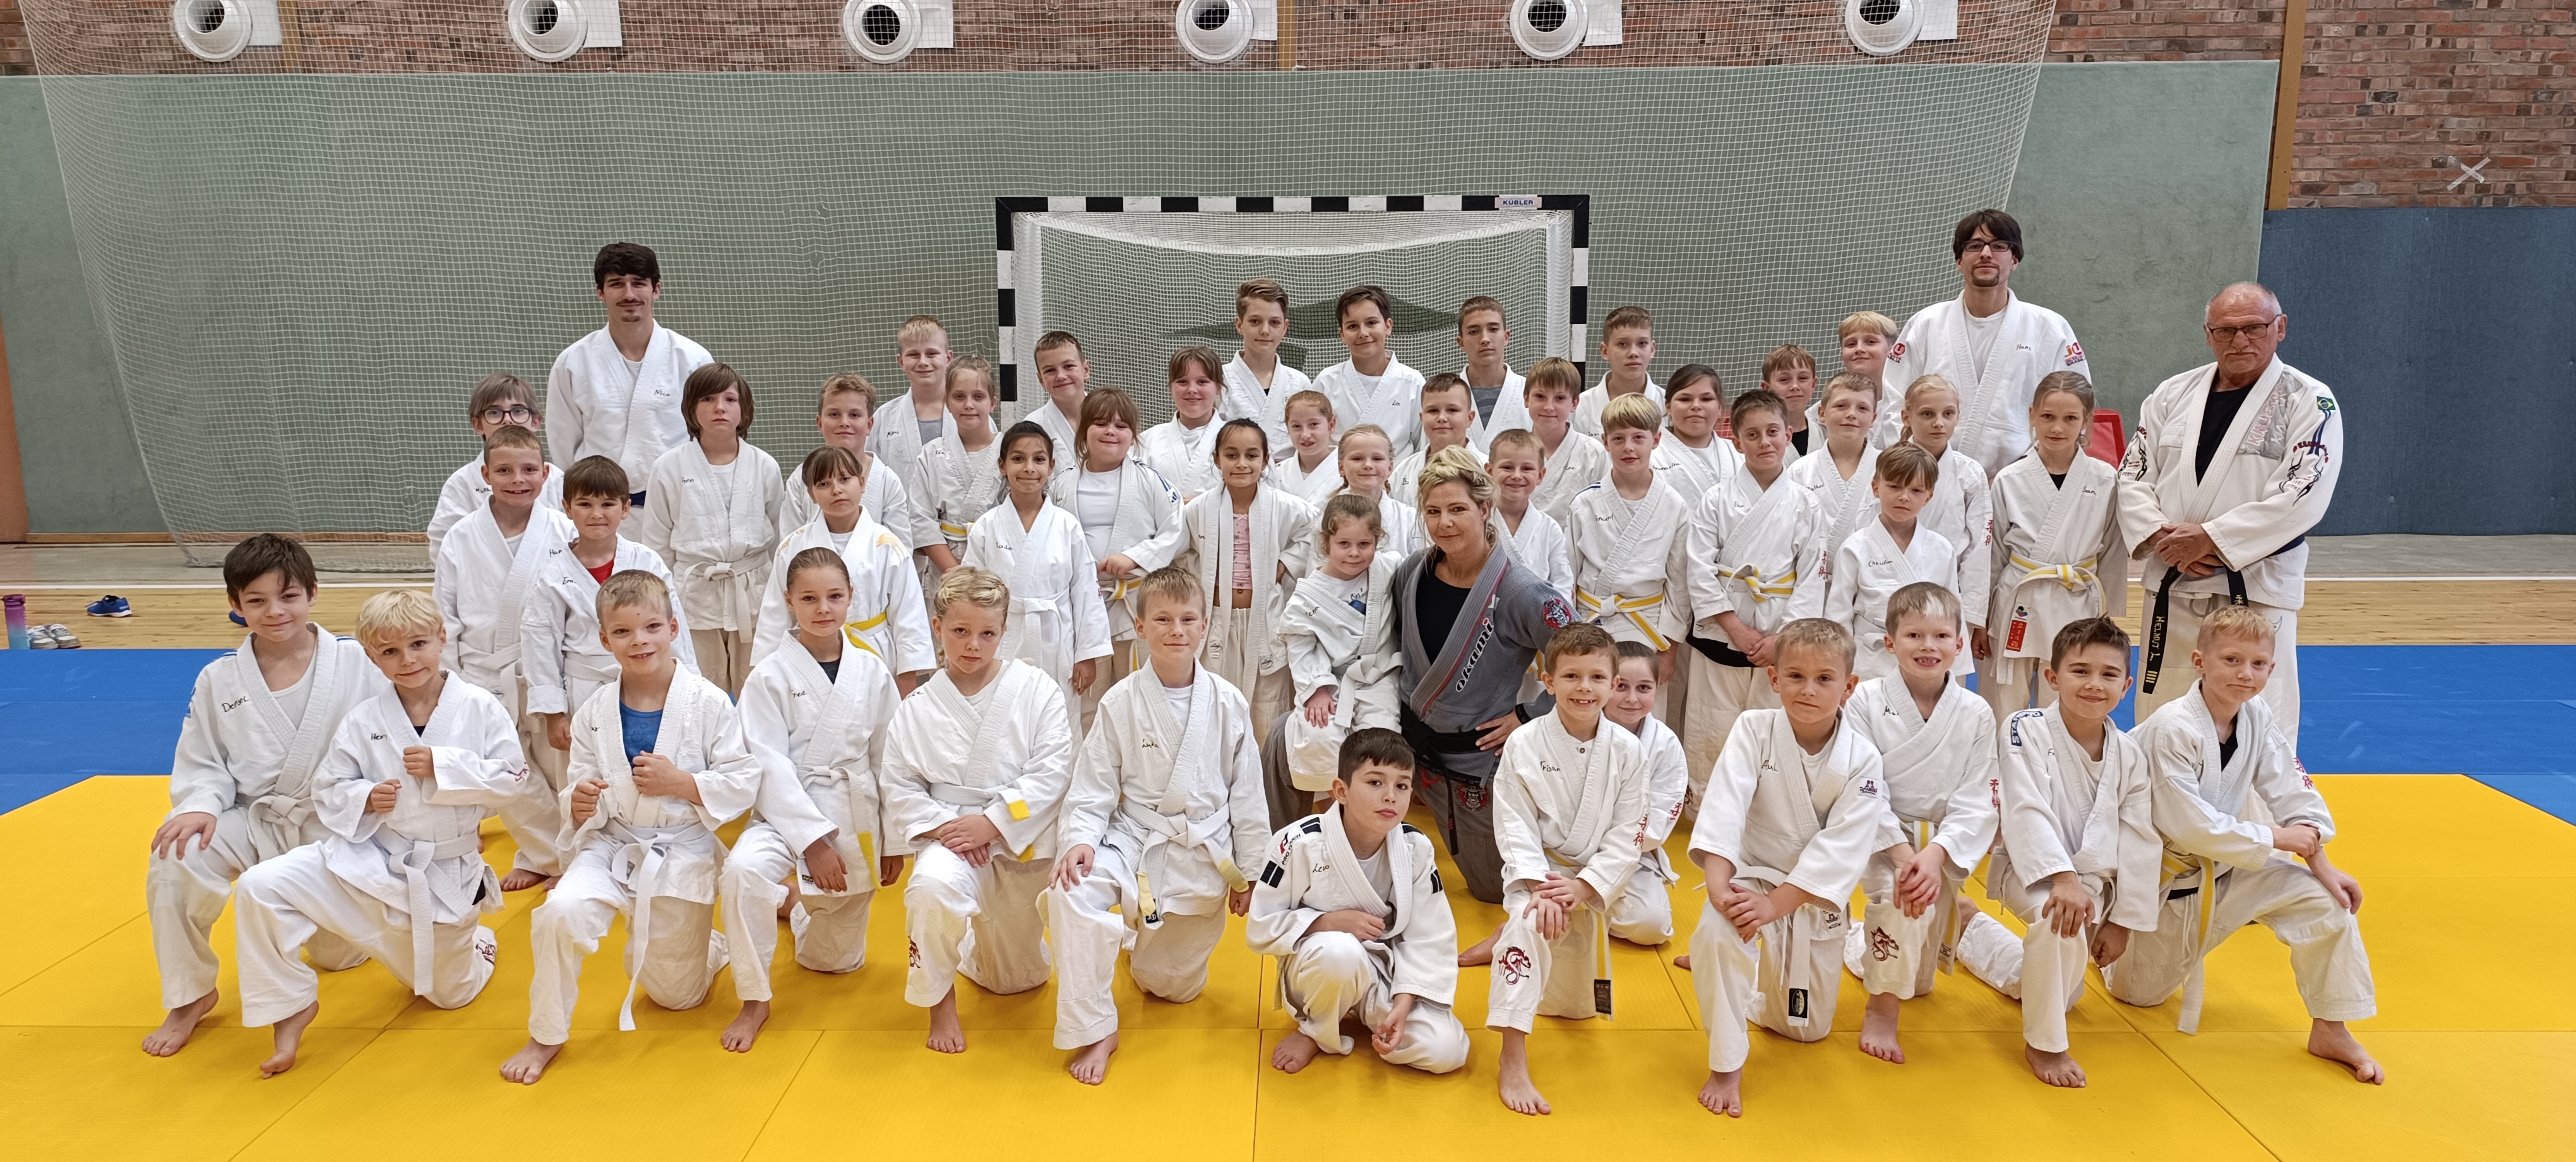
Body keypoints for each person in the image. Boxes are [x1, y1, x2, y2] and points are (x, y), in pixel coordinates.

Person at [231, 590, 518, 1077]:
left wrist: (445, 765)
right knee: (261, 885)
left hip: (443, 876)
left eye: (418, 644)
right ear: (371, 657)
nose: (407, 660)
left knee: (449, 996)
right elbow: (329, 787)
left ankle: (477, 943)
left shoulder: (479, 707)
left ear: (442, 638)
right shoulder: (365, 719)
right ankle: (290, 1005)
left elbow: (514, 778)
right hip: (370, 860)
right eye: (390, 651)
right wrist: (365, 797)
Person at [502, 571, 763, 1084]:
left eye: (651, 627)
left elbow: (741, 781)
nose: (639, 641)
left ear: (673, 628)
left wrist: (683, 783)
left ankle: (709, 948)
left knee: (677, 997)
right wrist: (580, 802)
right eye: (622, 632)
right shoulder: (595, 711)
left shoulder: (709, 702)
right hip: (611, 843)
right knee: (559, 913)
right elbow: (579, 781)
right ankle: (546, 1035)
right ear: (605, 640)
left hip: (679, 849)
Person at [2101, 607, 2382, 1082]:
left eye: (2257, 664)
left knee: (2325, 902)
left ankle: (2331, 1029)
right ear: (2199, 662)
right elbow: (2190, 826)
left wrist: (2322, 864)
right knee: (2139, 995)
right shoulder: (2172, 728)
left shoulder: (2255, 716)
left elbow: (2291, 789)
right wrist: (2277, 837)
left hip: (2226, 873)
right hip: (2160, 889)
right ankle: (2100, 927)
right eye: (2231, 660)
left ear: (2272, 668)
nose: (2245, 674)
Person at [143, 535, 384, 1058]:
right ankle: (190, 994)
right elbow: (203, 759)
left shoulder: (360, 663)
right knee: (176, 854)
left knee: (338, 956)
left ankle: (332, 928)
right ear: (236, 604)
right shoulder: (219, 679)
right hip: (256, 820)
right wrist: (199, 806)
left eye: (288, 596)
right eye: (257, 600)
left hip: (332, 828)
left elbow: (399, 736)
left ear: (313, 594)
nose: (275, 612)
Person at [1047, 565, 1267, 1085]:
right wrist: (1080, 840)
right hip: (1134, 841)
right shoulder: (1120, 701)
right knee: (1070, 891)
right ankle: (1096, 1028)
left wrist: (1251, 872)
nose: (1176, 630)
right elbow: (1093, 784)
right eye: (1163, 619)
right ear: (1140, 626)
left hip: (1202, 852)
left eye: (1188, 619)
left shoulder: (1228, 702)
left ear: (1205, 625)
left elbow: (1248, 795)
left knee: (1168, 987)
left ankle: (1139, 948)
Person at [2117, 282, 2342, 745]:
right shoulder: (2171, 394)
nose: (2239, 341)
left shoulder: (2308, 401)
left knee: (2258, 721)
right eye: (2225, 330)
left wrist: (2213, 540)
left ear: (2280, 328)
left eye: (2253, 328)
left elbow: (2303, 494)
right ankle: (2163, 795)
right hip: (2176, 582)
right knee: (2165, 718)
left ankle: (2256, 797)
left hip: (2254, 588)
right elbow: (2132, 476)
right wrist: (2161, 536)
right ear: (2208, 334)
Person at [1686, 618, 1893, 1117]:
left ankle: (1752, 976)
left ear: (1849, 687)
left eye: (1825, 679)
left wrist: (1774, 907)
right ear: (1775, 679)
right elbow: (1725, 807)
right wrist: (1720, 891)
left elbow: (1843, 848)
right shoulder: (1753, 729)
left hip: (1808, 897)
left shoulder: (1863, 758)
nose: (1808, 690)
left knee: (1806, 1030)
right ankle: (1726, 1064)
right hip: (1750, 876)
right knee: (1716, 933)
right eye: (1795, 677)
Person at [878, 568, 1074, 1055]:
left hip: (1020, 832)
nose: (973, 645)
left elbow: (1052, 771)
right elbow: (899, 784)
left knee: (1015, 979)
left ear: (1004, 631)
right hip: (950, 835)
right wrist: (950, 828)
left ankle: (975, 948)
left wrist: (992, 823)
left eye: (988, 633)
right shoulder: (916, 706)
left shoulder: (1038, 690)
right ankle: (939, 1002)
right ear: (937, 627)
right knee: (929, 890)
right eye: (961, 631)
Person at [1368, 446, 1577, 905]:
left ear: (1485, 509)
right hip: (1411, 751)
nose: (1444, 523)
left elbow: (1585, 656)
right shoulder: (1412, 572)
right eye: (1433, 511)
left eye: (1458, 509)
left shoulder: (1521, 590)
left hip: (1473, 765)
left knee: (1492, 889)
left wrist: (1530, 715)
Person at [717, 547, 904, 1054]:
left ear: (851, 598)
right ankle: (754, 997)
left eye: (834, 597)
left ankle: (792, 903)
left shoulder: (872, 671)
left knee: (832, 961)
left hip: (853, 808)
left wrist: (895, 841)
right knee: (742, 872)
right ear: (789, 602)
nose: (823, 609)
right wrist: (813, 843)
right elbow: (767, 764)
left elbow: (890, 758)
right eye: (809, 599)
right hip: (784, 814)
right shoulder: (769, 676)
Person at [1838, 582, 2012, 1065]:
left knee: (1922, 980)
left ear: (1960, 643)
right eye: (1914, 635)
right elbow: (1861, 784)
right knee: (1902, 905)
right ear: (1889, 643)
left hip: (1943, 848)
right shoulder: (1864, 700)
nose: (1928, 646)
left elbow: (1979, 797)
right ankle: (1881, 1009)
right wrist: (1903, 857)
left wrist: (1935, 857)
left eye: (1941, 636)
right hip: (1883, 841)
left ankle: (1957, 917)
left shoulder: (1976, 712)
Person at [1484, 623, 1650, 1116]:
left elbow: (1629, 831)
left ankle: (1540, 928)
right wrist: (1541, 888)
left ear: (1613, 684)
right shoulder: (1524, 743)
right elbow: (1513, 824)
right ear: (1548, 681)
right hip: (1538, 873)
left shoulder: (1628, 750)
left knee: (1581, 1002)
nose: (1584, 688)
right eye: (1572, 676)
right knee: (1527, 924)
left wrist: (1583, 886)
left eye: (1597, 678)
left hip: (1593, 875)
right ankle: (1512, 1056)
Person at [1987, 616, 2161, 1087]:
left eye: (2109, 674)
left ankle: (1971, 932)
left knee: (2054, 986)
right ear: (2052, 676)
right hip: (2033, 872)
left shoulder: (2130, 755)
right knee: (2058, 925)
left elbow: (2140, 839)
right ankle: (2046, 1045)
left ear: (2126, 686)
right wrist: (2062, 880)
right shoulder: (2024, 728)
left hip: (2093, 885)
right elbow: (2024, 807)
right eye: (2080, 671)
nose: (2094, 684)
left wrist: (2123, 921)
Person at [1248, 728, 1469, 1076]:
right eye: (1375, 782)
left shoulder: (1415, 848)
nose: (1390, 797)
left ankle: (1371, 1015)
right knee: (1341, 952)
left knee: (1447, 1051)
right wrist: (1328, 923)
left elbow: (1430, 936)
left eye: (1402, 786)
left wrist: (1403, 1004)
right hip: (1318, 970)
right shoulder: (1298, 843)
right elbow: (1262, 926)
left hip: (1384, 973)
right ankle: (1316, 1029)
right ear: (1341, 791)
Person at [1109, 419, 1316, 745]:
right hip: (1217, 620)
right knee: (1216, 708)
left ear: (1266, 460)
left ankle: (1265, 778)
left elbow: (1316, 533)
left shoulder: (1286, 506)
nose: (1241, 463)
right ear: (1217, 459)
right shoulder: (1198, 509)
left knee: (1267, 709)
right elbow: (1172, 544)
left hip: (1265, 620)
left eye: (1251, 455)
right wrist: (1135, 559)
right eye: (1231, 455)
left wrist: (1285, 565)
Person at [431, 425, 575, 887]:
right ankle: (544, 854)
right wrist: (448, 677)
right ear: (485, 474)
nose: (518, 480)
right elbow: (445, 613)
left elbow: (577, 603)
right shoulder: (460, 536)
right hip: (483, 670)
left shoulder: (564, 529)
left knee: (558, 765)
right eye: (505, 471)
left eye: (529, 470)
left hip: (547, 666)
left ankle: (575, 854)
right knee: (507, 769)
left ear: (546, 474)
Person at [1679, 388, 1830, 818]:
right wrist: (1735, 628)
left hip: (1780, 633)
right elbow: (1698, 568)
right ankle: (1708, 811)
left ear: (1788, 435)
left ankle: (1768, 813)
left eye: (1773, 432)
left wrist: (1782, 638)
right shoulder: (1715, 500)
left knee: (1772, 723)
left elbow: (1813, 576)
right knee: (1712, 721)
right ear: (1736, 440)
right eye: (1753, 434)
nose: (1764, 442)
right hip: (1722, 631)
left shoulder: (1807, 503)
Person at [522, 456, 701, 777]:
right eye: (585, 504)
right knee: (588, 776)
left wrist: (689, 687)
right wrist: (554, 713)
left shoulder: (646, 561)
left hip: (649, 682)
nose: (597, 514)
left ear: (625, 508)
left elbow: (675, 629)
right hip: (583, 688)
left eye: (607, 504)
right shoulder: (552, 574)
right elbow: (540, 643)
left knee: (648, 766)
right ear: (567, 508)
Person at [1881, 209, 2094, 474]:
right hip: (1931, 478)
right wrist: (1920, 470)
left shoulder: (2050, 327)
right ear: (1960, 261)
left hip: (2023, 480)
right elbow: (1894, 404)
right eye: (1974, 246)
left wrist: (2020, 476)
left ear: (2014, 259)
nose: (1985, 253)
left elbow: (2076, 405)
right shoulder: (1926, 324)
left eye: (1999, 246)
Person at [635, 363, 783, 697]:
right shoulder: (668, 467)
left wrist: (779, 597)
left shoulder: (765, 466)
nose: (720, 408)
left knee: (758, 687)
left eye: (730, 399)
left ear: (744, 408)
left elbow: (778, 538)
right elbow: (657, 543)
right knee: (699, 688)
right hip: (694, 594)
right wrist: (660, 603)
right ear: (691, 408)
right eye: (708, 399)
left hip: (754, 590)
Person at [1983, 371, 2124, 713]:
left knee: (2066, 705)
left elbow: (2113, 553)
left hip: (2077, 601)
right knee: (2005, 705)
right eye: (2047, 416)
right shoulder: (2009, 479)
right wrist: (1981, 618)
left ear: (2087, 421)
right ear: (2032, 415)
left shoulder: (2105, 479)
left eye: (2070, 418)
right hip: (2019, 599)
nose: (2057, 428)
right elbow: (1994, 554)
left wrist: (2109, 617)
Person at [1049, 388, 1183, 731]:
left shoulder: (1151, 480)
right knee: (1085, 703)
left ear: (1133, 436)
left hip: (1134, 602)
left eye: (1121, 426)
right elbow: (1048, 537)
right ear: (1084, 431)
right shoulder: (1062, 484)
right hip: (1081, 605)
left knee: (1139, 702)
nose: (1111, 432)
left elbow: (1177, 530)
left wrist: (1134, 558)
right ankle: (1087, 765)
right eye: (1101, 423)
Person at [750, 446, 936, 689]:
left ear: (862, 483)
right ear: (812, 495)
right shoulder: (792, 547)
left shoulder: (888, 546)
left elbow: (909, 618)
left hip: (874, 655)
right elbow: (774, 617)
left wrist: (906, 684)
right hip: (808, 654)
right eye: (824, 484)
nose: (836, 490)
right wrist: (765, 676)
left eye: (845, 479)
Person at [547, 243, 715, 501]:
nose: (629, 294)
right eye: (617, 284)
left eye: (638, 283)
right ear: (600, 292)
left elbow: (711, 437)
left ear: (656, 290)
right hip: (601, 508)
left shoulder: (693, 359)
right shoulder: (573, 363)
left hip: (678, 505)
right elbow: (563, 446)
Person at [1272, 493, 1402, 829]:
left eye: (1365, 544)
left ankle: (1372, 819)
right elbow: (1302, 645)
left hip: (1377, 676)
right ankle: (1334, 816)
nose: (1354, 553)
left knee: (1382, 742)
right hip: (1330, 681)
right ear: (1325, 542)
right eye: (1344, 544)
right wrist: (1317, 689)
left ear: (1378, 542)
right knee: (1318, 736)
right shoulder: (1308, 595)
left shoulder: (1388, 569)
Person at [963, 422, 1112, 711]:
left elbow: (1085, 592)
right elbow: (971, 594)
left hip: (1056, 640)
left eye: (1039, 459)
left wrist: (1087, 655)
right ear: (1003, 466)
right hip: (1004, 638)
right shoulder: (986, 527)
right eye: (1018, 459)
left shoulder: (1067, 526)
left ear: (1051, 466)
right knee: (1004, 716)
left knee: (1058, 717)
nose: (1029, 468)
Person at [1566, 394, 1690, 701]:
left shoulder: (1674, 505)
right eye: (1619, 438)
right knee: (1591, 708)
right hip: (1592, 622)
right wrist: (1569, 634)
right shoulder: (1585, 503)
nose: (1628, 447)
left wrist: (1669, 648)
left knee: (1640, 709)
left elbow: (1679, 583)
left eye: (1638, 438)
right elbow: (1568, 576)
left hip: (1648, 628)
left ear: (1656, 440)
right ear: (1605, 442)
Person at [1825, 443, 1958, 682]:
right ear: (1876, 488)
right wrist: (1838, 668)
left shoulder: (1942, 549)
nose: (1904, 497)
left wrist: (1954, 672)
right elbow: (1839, 615)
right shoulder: (1855, 548)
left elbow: (1952, 616)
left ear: (1928, 497)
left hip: (1927, 657)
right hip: (1869, 660)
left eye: (1916, 490)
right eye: (1895, 487)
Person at [1890, 374, 1995, 648]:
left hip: (1948, 594)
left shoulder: (1970, 473)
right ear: (1906, 417)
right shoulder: (1887, 466)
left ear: (1958, 416)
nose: (1939, 423)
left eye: (1948, 414)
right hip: (1890, 589)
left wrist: (1972, 616)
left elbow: (1979, 549)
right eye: (1927, 414)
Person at [780, 374, 933, 553]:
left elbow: (900, 551)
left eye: (854, 415)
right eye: (834, 414)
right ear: (820, 423)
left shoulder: (887, 481)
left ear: (869, 424)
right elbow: (789, 545)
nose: (844, 423)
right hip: (812, 569)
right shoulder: (801, 479)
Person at [1600, 640, 1689, 947]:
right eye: (1621, 687)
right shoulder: (1576, 728)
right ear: (1605, 684)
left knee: (1652, 925)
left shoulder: (1665, 744)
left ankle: (1583, 912)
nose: (1632, 698)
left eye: (1644, 688)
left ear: (1657, 688)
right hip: (1569, 850)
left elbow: (1657, 827)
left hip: (1630, 855)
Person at [426, 373, 564, 556]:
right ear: (478, 425)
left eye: (518, 411)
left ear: (536, 421)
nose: (507, 420)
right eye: (494, 412)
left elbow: (576, 535)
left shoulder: (557, 480)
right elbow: (444, 546)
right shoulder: (462, 483)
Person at [866, 314, 958, 569]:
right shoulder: (883, 418)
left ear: (948, 358)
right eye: (913, 355)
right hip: (900, 546)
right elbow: (870, 480)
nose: (923, 362)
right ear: (901, 361)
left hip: (958, 545)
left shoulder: (971, 416)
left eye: (932, 353)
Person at [910, 355, 1008, 573]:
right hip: (947, 568)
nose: (969, 405)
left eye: (978, 397)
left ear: (993, 403)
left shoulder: (1010, 451)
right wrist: (956, 574)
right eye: (959, 397)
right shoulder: (932, 454)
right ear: (948, 403)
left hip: (1000, 561)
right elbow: (921, 519)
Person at [1313, 285, 1424, 455]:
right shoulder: (1327, 381)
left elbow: (1422, 447)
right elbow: (1314, 441)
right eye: (1352, 326)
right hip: (1340, 471)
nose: (1363, 333)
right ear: (1342, 334)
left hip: (1399, 471)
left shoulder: (1413, 382)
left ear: (1388, 326)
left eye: (1371, 323)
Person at [1789, 373, 1883, 558]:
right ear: (1822, 414)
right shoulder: (1800, 471)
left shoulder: (1889, 467)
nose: (1851, 414)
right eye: (1841, 406)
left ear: (1873, 419)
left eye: (1862, 408)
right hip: (1815, 573)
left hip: (1873, 572)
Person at [1220, 279, 1313, 455]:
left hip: (1289, 472)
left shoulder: (1299, 383)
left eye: (1274, 323)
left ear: (1285, 327)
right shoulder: (1220, 380)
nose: (1265, 330)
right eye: (1255, 321)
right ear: (1239, 325)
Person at [1484, 429, 1573, 597]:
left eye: (1526, 469)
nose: (1517, 476)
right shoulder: (1478, 522)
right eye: (1508, 467)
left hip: (1538, 612)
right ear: (1490, 471)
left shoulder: (1550, 528)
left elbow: (1563, 585)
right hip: (1486, 610)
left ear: (1540, 475)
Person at [1522, 357, 1609, 525]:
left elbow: (1604, 512)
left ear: (1574, 404)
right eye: (1540, 396)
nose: (1549, 407)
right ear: (1527, 399)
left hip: (1575, 541)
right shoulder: (1511, 450)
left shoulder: (1593, 453)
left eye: (1560, 398)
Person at [1140, 346, 1229, 500]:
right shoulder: (1145, 442)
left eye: (1202, 382)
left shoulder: (1239, 438)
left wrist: (1202, 507)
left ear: (1218, 388)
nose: (1192, 389)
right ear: (1171, 388)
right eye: (1182, 382)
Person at [1650, 364, 1739, 503]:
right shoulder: (1650, 457)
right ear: (1668, 407)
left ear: (1719, 408)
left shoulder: (1740, 454)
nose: (1696, 406)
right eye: (1685, 399)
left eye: (1706, 399)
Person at [1571, 305, 1660, 438]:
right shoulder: (1580, 407)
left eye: (1642, 344)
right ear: (1605, 351)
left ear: (1652, 349)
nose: (1633, 353)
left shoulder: (1669, 407)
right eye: (1623, 344)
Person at [1389, 373, 1476, 506]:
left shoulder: (1485, 469)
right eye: (1433, 411)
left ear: (1469, 418)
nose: (1442, 418)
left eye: (1452, 410)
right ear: (1422, 417)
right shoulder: (1402, 471)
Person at [1332, 424, 1418, 560]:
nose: (1368, 465)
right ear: (1341, 467)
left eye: (1377, 459)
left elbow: (1422, 566)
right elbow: (1318, 568)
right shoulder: (1328, 515)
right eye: (1357, 458)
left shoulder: (1409, 517)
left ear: (1390, 467)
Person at [1455, 296, 1527, 451]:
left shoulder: (1530, 392)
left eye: (1493, 329)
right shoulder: (1446, 395)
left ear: (1506, 337)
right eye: (1474, 332)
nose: (1485, 339)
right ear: (1461, 343)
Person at [1025, 330, 1094, 474]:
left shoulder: (1111, 417)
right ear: (1041, 380)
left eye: (1068, 366)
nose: (1061, 376)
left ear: (1086, 370)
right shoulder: (1031, 427)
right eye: (1050, 370)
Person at [1270, 390, 1345, 505]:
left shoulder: (1349, 472)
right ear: (1288, 429)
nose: (1305, 435)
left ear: (1331, 425)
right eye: (1296, 426)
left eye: (1313, 424)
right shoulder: (1275, 474)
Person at [1763, 345, 1821, 459]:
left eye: (1803, 378)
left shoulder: (1826, 434)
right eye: (1784, 379)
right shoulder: (1760, 439)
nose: (1795, 386)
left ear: (1813, 384)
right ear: (1767, 388)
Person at [1838, 310, 1900, 410]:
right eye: (1851, 344)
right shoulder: (1825, 410)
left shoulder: (1908, 403)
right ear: (1842, 355)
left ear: (1892, 350)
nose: (1859, 349)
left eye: (1871, 342)